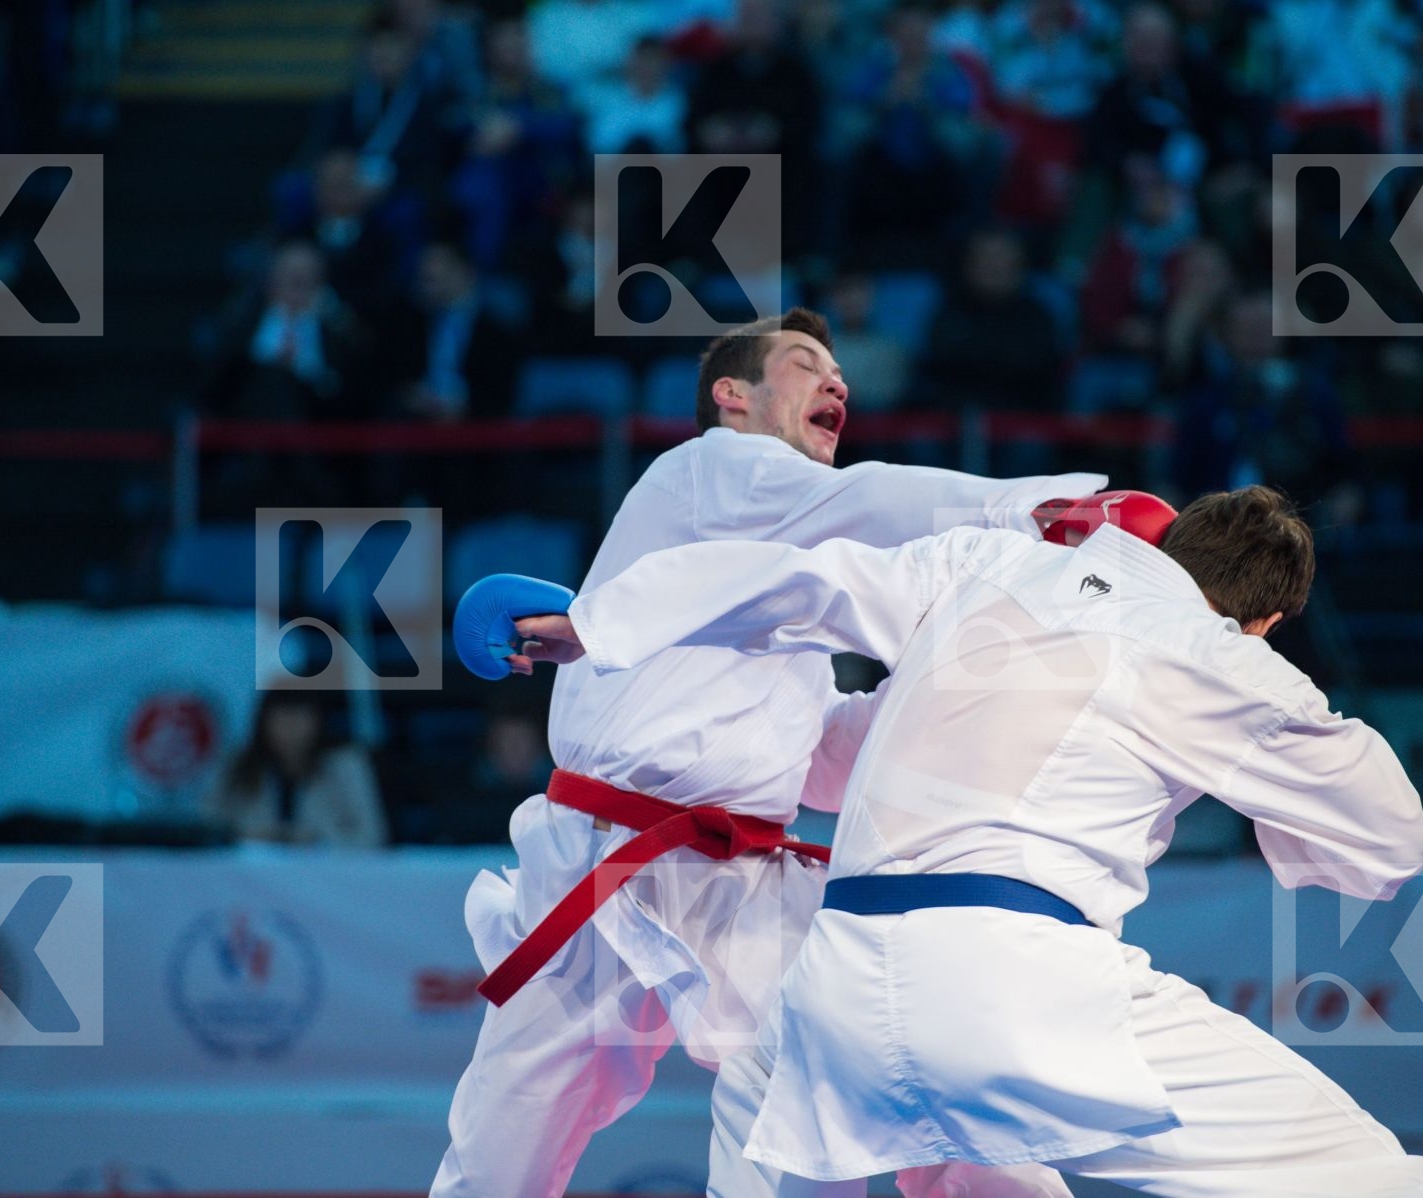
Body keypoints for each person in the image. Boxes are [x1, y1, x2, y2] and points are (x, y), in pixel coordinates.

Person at [514, 485, 1423, 1198]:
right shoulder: (1227, 661)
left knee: (770, 1109)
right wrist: (1276, 741)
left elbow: (802, 577)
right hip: (1022, 990)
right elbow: (1391, 843)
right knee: (1368, 1175)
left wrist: (596, 625)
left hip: (833, 990)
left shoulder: (986, 562)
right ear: (1269, 620)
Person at [432, 307, 1108, 1198]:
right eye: (804, 365)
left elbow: (820, 762)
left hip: (742, 878)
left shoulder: (784, 582)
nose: (838, 383)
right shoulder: (709, 467)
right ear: (734, 396)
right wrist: (1032, 514)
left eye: (839, 372)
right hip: (601, 860)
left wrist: (944, 691)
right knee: (509, 1135)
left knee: (899, 1070)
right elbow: (868, 502)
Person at [206, 688, 385, 848]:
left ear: (317, 721)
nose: (291, 729)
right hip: (253, 874)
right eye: (281, 719)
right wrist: (244, 836)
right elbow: (209, 826)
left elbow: (372, 837)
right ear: (263, 722)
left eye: (299, 718)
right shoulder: (238, 765)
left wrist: (317, 840)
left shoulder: (345, 765)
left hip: (325, 874)